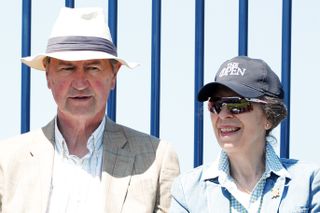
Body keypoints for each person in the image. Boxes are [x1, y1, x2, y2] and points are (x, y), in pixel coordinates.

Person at [0, 7, 180, 213]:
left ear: (114, 75)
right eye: (67, 68)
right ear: (48, 76)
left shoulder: (156, 158)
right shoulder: (6, 160)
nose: (80, 83)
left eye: (93, 68)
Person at [169, 56, 320, 212]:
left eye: (237, 104)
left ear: (269, 116)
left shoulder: (309, 183)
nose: (222, 115)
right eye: (216, 105)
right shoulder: (187, 191)